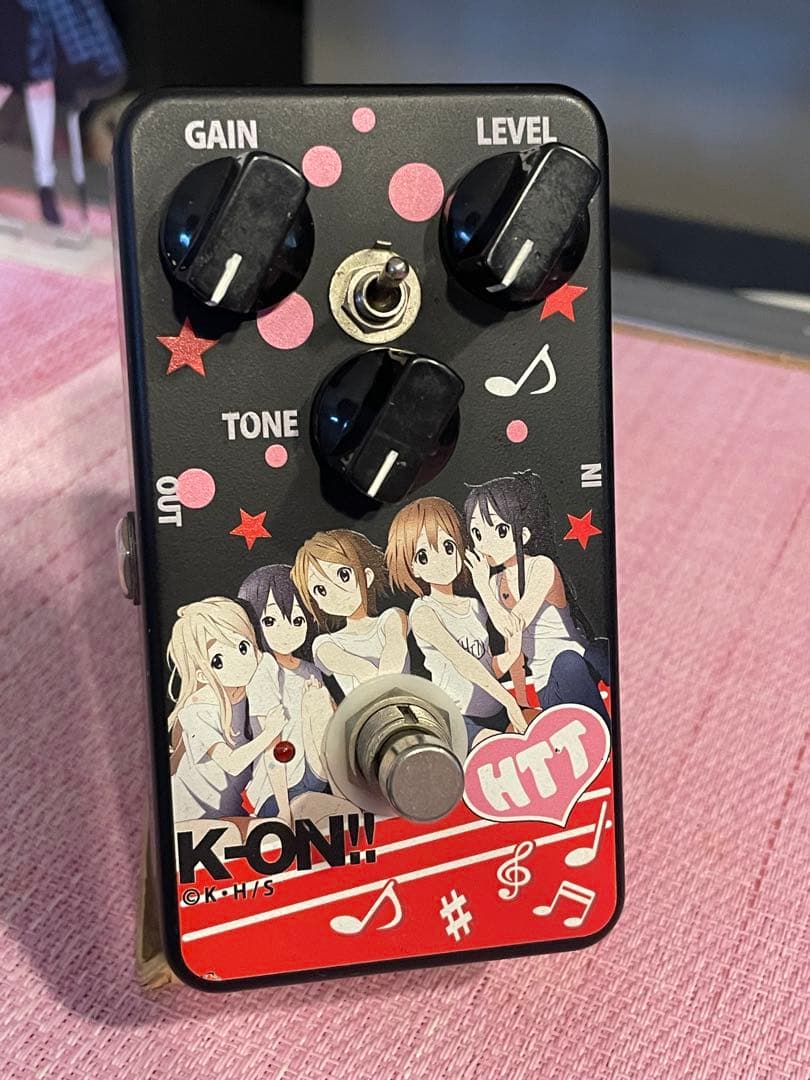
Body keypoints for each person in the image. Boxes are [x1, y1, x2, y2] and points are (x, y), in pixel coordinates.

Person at [464, 471, 609, 722]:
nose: (485, 543)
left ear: (523, 535)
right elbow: (513, 647)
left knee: (597, 651)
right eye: (477, 533)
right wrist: (521, 704)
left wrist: (483, 589)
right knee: (567, 663)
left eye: (499, 530)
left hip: (582, 659)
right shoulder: (493, 583)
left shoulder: (541, 567)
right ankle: (604, 732)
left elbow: (515, 623)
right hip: (550, 684)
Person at [386, 497, 526, 745]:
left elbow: (488, 667)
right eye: (423, 556)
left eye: (448, 547)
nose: (441, 560)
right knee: (499, 749)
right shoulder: (423, 611)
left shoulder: (474, 606)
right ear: (413, 568)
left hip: (498, 710)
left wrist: (484, 588)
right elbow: (464, 663)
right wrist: (509, 700)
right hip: (459, 719)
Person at [166, 598, 284, 824]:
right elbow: (231, 762)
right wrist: (269, 733)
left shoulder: (253, 688)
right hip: (193, 815)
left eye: (243, 647)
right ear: (201, 674)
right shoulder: (197, 710)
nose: (240, 662)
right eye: (218, 661)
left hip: (233, 809)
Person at [238, 564, 340, 823]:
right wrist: (284, 811)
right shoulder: (264, 669)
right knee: (317, 699)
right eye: (270, 621)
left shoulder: (310, 670)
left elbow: (329, 728)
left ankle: (344, 791)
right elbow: (273, 745)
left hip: (315, 774)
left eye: (297, 620)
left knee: (321, 700)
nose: (286, 632)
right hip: (278, 788)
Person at [292, 529, 408, 698]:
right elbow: (361, 669)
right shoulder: (325, 644)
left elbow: (394, 657)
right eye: (320, 589)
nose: (335, 593)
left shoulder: (392, 618)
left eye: (343, 575)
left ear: (367, 576)